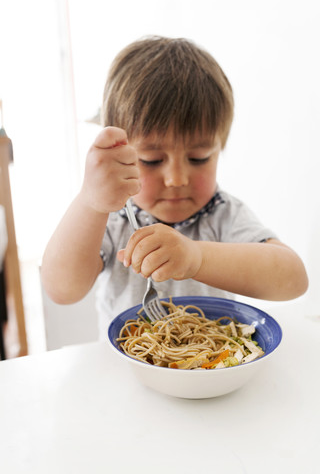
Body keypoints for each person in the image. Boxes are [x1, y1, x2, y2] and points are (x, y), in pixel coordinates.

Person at [41, 36, 308, 338]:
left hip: (214, 372)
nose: (177, 179)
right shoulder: (113, 218)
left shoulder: (222, 213)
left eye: (199, 158)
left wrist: (197, 257)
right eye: (152, 160)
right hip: (125, 376)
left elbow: (293, 278)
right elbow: (61, 289)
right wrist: (90, 203)